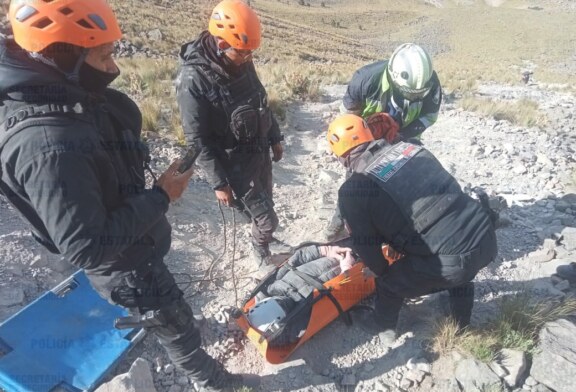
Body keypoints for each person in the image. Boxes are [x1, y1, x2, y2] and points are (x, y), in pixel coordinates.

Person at [0, 1, 258, 391]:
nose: (114, 67)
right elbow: (86, 246)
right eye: (103, 55)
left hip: (135, 240)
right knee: (170, 320)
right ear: (64, 55)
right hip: (123, 262)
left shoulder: (58, 92)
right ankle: (212, 380)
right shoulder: (47, 145)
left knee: (171, 308)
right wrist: (161, 197)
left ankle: (185, 332)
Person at [326, 114, 497, 345]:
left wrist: (379, 270)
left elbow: (369, 250)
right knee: (455, 253)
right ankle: (461, 322)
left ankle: (382, 325)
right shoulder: (411, 149)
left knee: (388, 282)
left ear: (340, 155)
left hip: (454, 262)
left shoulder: (353, 189)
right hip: (486, 238)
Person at [176, 0, 285, 269]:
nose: (249, 58)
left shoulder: (241, 58)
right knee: (267, 219)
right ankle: (261, 251)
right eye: (243, 52)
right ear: (222, 44)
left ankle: (266, 237)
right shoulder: (193, 80)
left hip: (258, 152)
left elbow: (260, 98)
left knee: (266, 205)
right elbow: (197, 139)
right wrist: (218, 183)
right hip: (235, 165)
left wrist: (274, 136)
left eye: (250, 53)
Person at [325, 43, 442, 240]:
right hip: (366, 140)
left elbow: (430, 116)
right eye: (408, 93)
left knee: (403, 184)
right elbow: (348, 119)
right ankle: (338, 223)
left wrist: (401, 136)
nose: (413, 97)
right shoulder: (365, 80)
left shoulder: (430, 84)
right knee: (356, 186)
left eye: (417, 95)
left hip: (404, 137)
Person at [248, 244, 355, 346]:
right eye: (284, 306)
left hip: (333, 255)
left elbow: (296, 259)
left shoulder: (272, 285)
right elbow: (334, 299)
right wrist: (347, 270)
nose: (285, 302)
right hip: (351, 270)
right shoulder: (301, 321)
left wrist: (326, 250)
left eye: (279, 301)